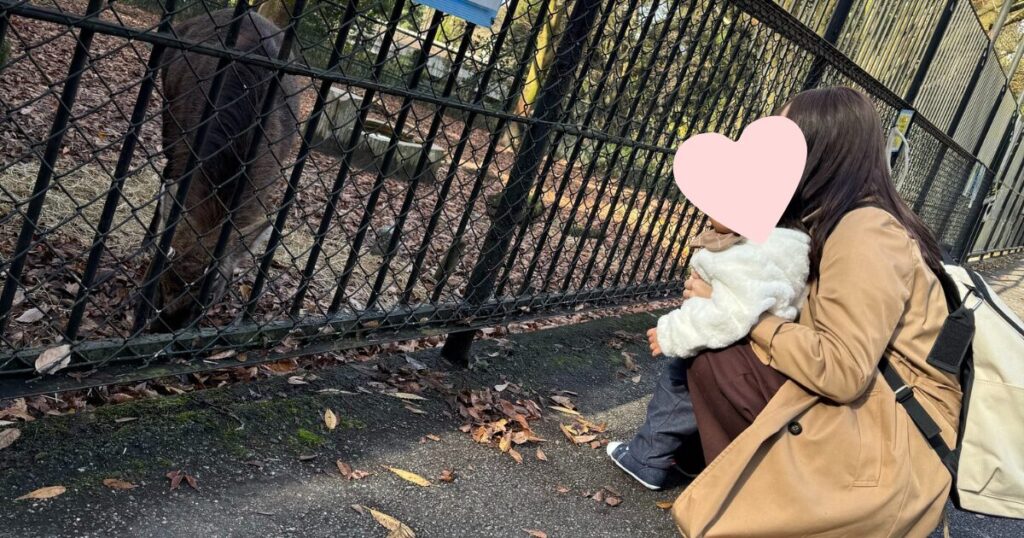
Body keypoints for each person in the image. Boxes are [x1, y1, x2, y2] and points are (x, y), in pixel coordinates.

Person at [664, 86, 961, 537]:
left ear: (818, 152)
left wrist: (744, 313)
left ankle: (756, 500)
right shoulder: (837, 219)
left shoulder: (866, 231)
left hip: (893, 445)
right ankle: (733, 477)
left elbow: (842, 371)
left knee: (719, 358)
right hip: (878, 418)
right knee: (715, 335)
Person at [606, 215, 811, 490]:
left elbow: (726, 314)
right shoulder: (792, 245)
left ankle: (645, 459)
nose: (710, 215)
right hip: (767, 355)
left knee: (677, 386)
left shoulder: (748, 254)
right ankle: (689, 459)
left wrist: (671, 331)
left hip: (737, 348)